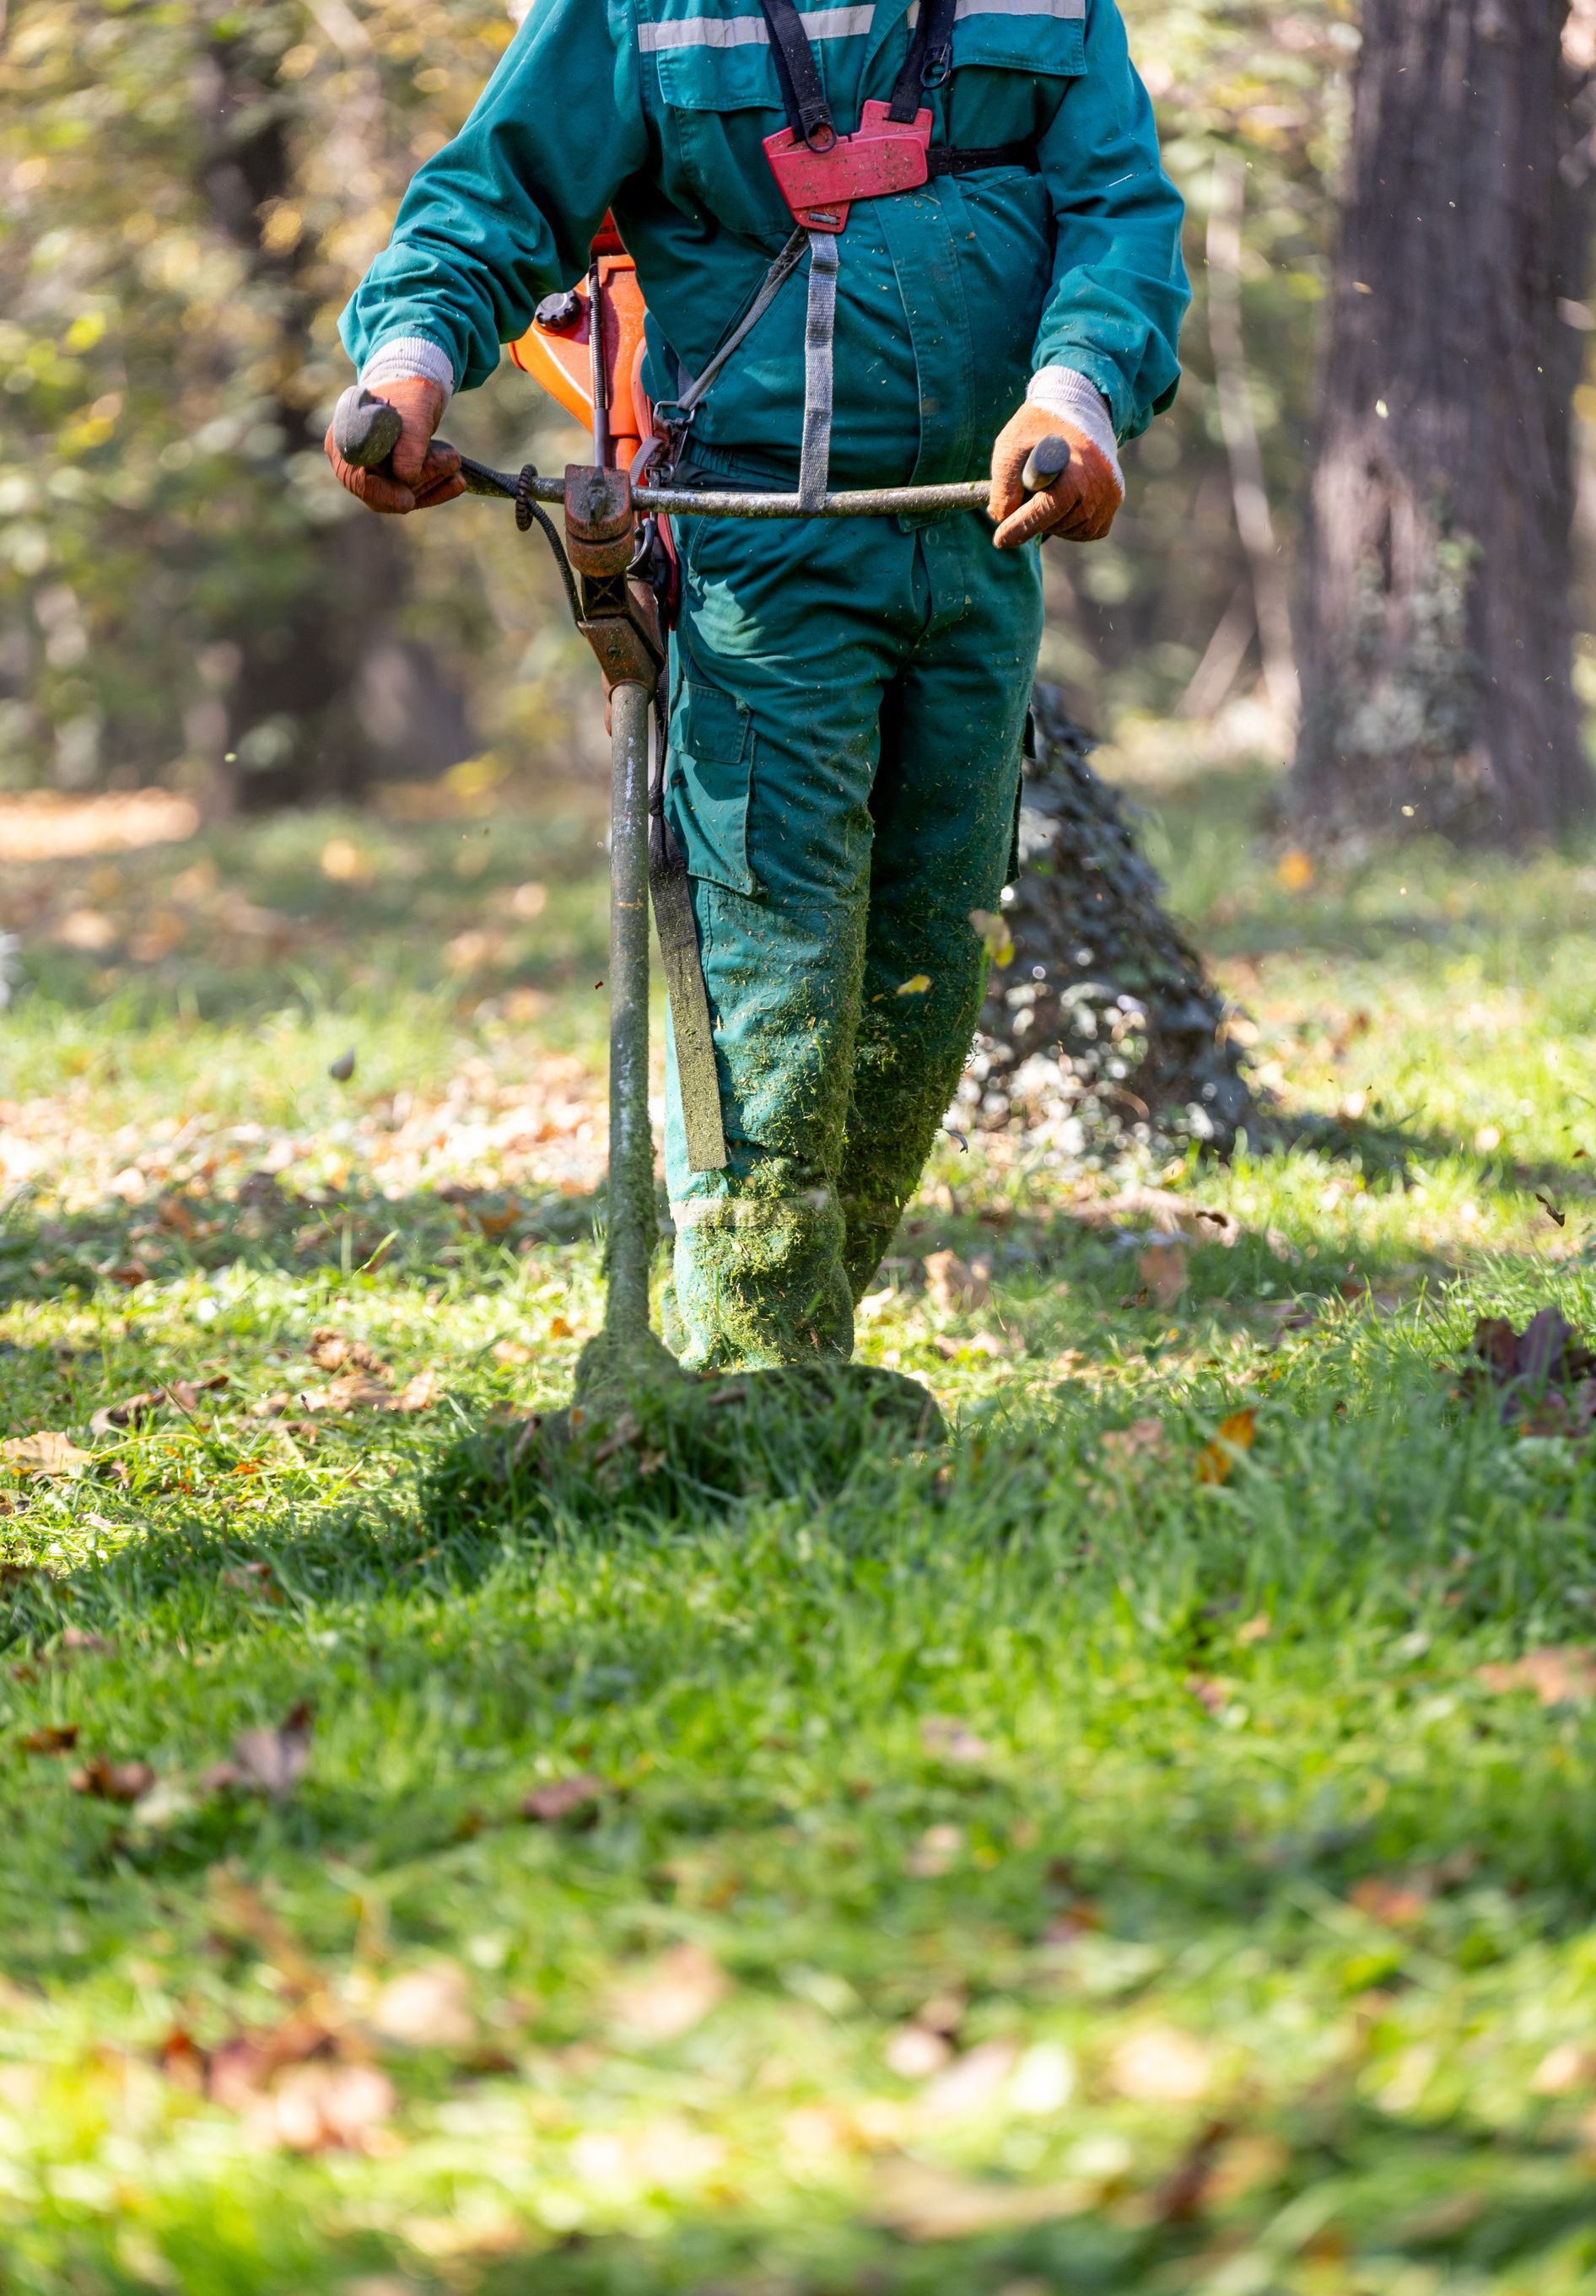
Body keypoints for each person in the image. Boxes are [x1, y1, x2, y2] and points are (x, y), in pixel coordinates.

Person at [330, 0, 1189, 1372]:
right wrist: (408, 367)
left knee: (925, 976)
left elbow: (1119, 214)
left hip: (981, 540)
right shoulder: (639, 12)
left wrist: (1079, 398)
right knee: (771, 978)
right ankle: (753, 1384)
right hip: (761, 565)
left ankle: (788, 1356)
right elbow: (495, 195)